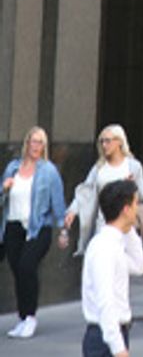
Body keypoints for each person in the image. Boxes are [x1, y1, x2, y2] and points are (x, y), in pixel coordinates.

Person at [2, 127, 67, 339]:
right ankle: (22, 318)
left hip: (38, 228)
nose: (36, 146)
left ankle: (30, 316)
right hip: (12, 227)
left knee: (26, 266)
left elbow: (58, 203)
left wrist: (63, 230)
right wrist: (4, 189)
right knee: (17, 271)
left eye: (41, 143)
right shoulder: (13, 168)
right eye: (34, 142)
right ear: (27, 143)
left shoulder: (48, 171)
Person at [81, 180, 143, 357]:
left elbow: (139, 266)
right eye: (135, 203)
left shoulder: (114, 243)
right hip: (104, 338)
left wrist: (129, 228)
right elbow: (105, 301)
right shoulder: (104, 247)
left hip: (115, 333)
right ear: (125, 209)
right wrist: (118, 349)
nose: (137, 209)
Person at [65, 131, 143, 256]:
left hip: (125, 226)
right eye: (102, 141)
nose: (104, 145)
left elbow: (142, 197)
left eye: (108, 141)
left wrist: (132, 186)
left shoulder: (133, 166)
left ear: (119, 142)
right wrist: (72, 211)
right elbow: (86, 191)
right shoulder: (99, 168)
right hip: (102, 224)